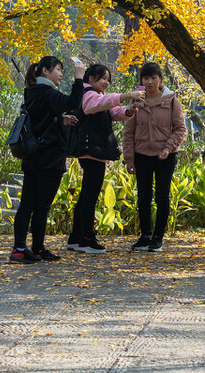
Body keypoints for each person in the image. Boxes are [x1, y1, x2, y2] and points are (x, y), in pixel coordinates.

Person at [13, 56, 84, 262]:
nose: (61, 74)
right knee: (41, 206)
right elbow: (72, 102)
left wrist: (60, 120)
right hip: (50, 158)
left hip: (33, 156)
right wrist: (78, 78)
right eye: (58, 69)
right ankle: (32, 248)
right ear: (45, 70)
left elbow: (39, 118)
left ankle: (25, 247)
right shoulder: (48, 93)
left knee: (27, 203)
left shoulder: (32, 92)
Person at [67, 64, 142, 254]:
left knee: (86, 196)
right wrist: (126, 96)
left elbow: (109, 110)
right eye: (103, 78)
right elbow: (96, 105)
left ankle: (76, 238)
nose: (106, 82)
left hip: (93, 150)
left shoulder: (96, 95)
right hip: (91, 150)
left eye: (108, 79)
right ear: (90, 78)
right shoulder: (88, 94)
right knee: (90, 197)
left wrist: (128, 111)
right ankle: (86, 239)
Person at [125, 62, 187, 252]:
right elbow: (128, 132)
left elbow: (180, 129)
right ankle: (145, 236)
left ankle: (158, 237)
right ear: (141, 80)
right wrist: (128, 158)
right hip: (141, 155)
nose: (150, 81)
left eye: (153, 77)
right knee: (143, 196)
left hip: (164, 156)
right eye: (146, 78)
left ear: (160, 79)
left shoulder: (171, 101)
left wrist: (168, 148)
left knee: (162, 196)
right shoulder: (136, 101)